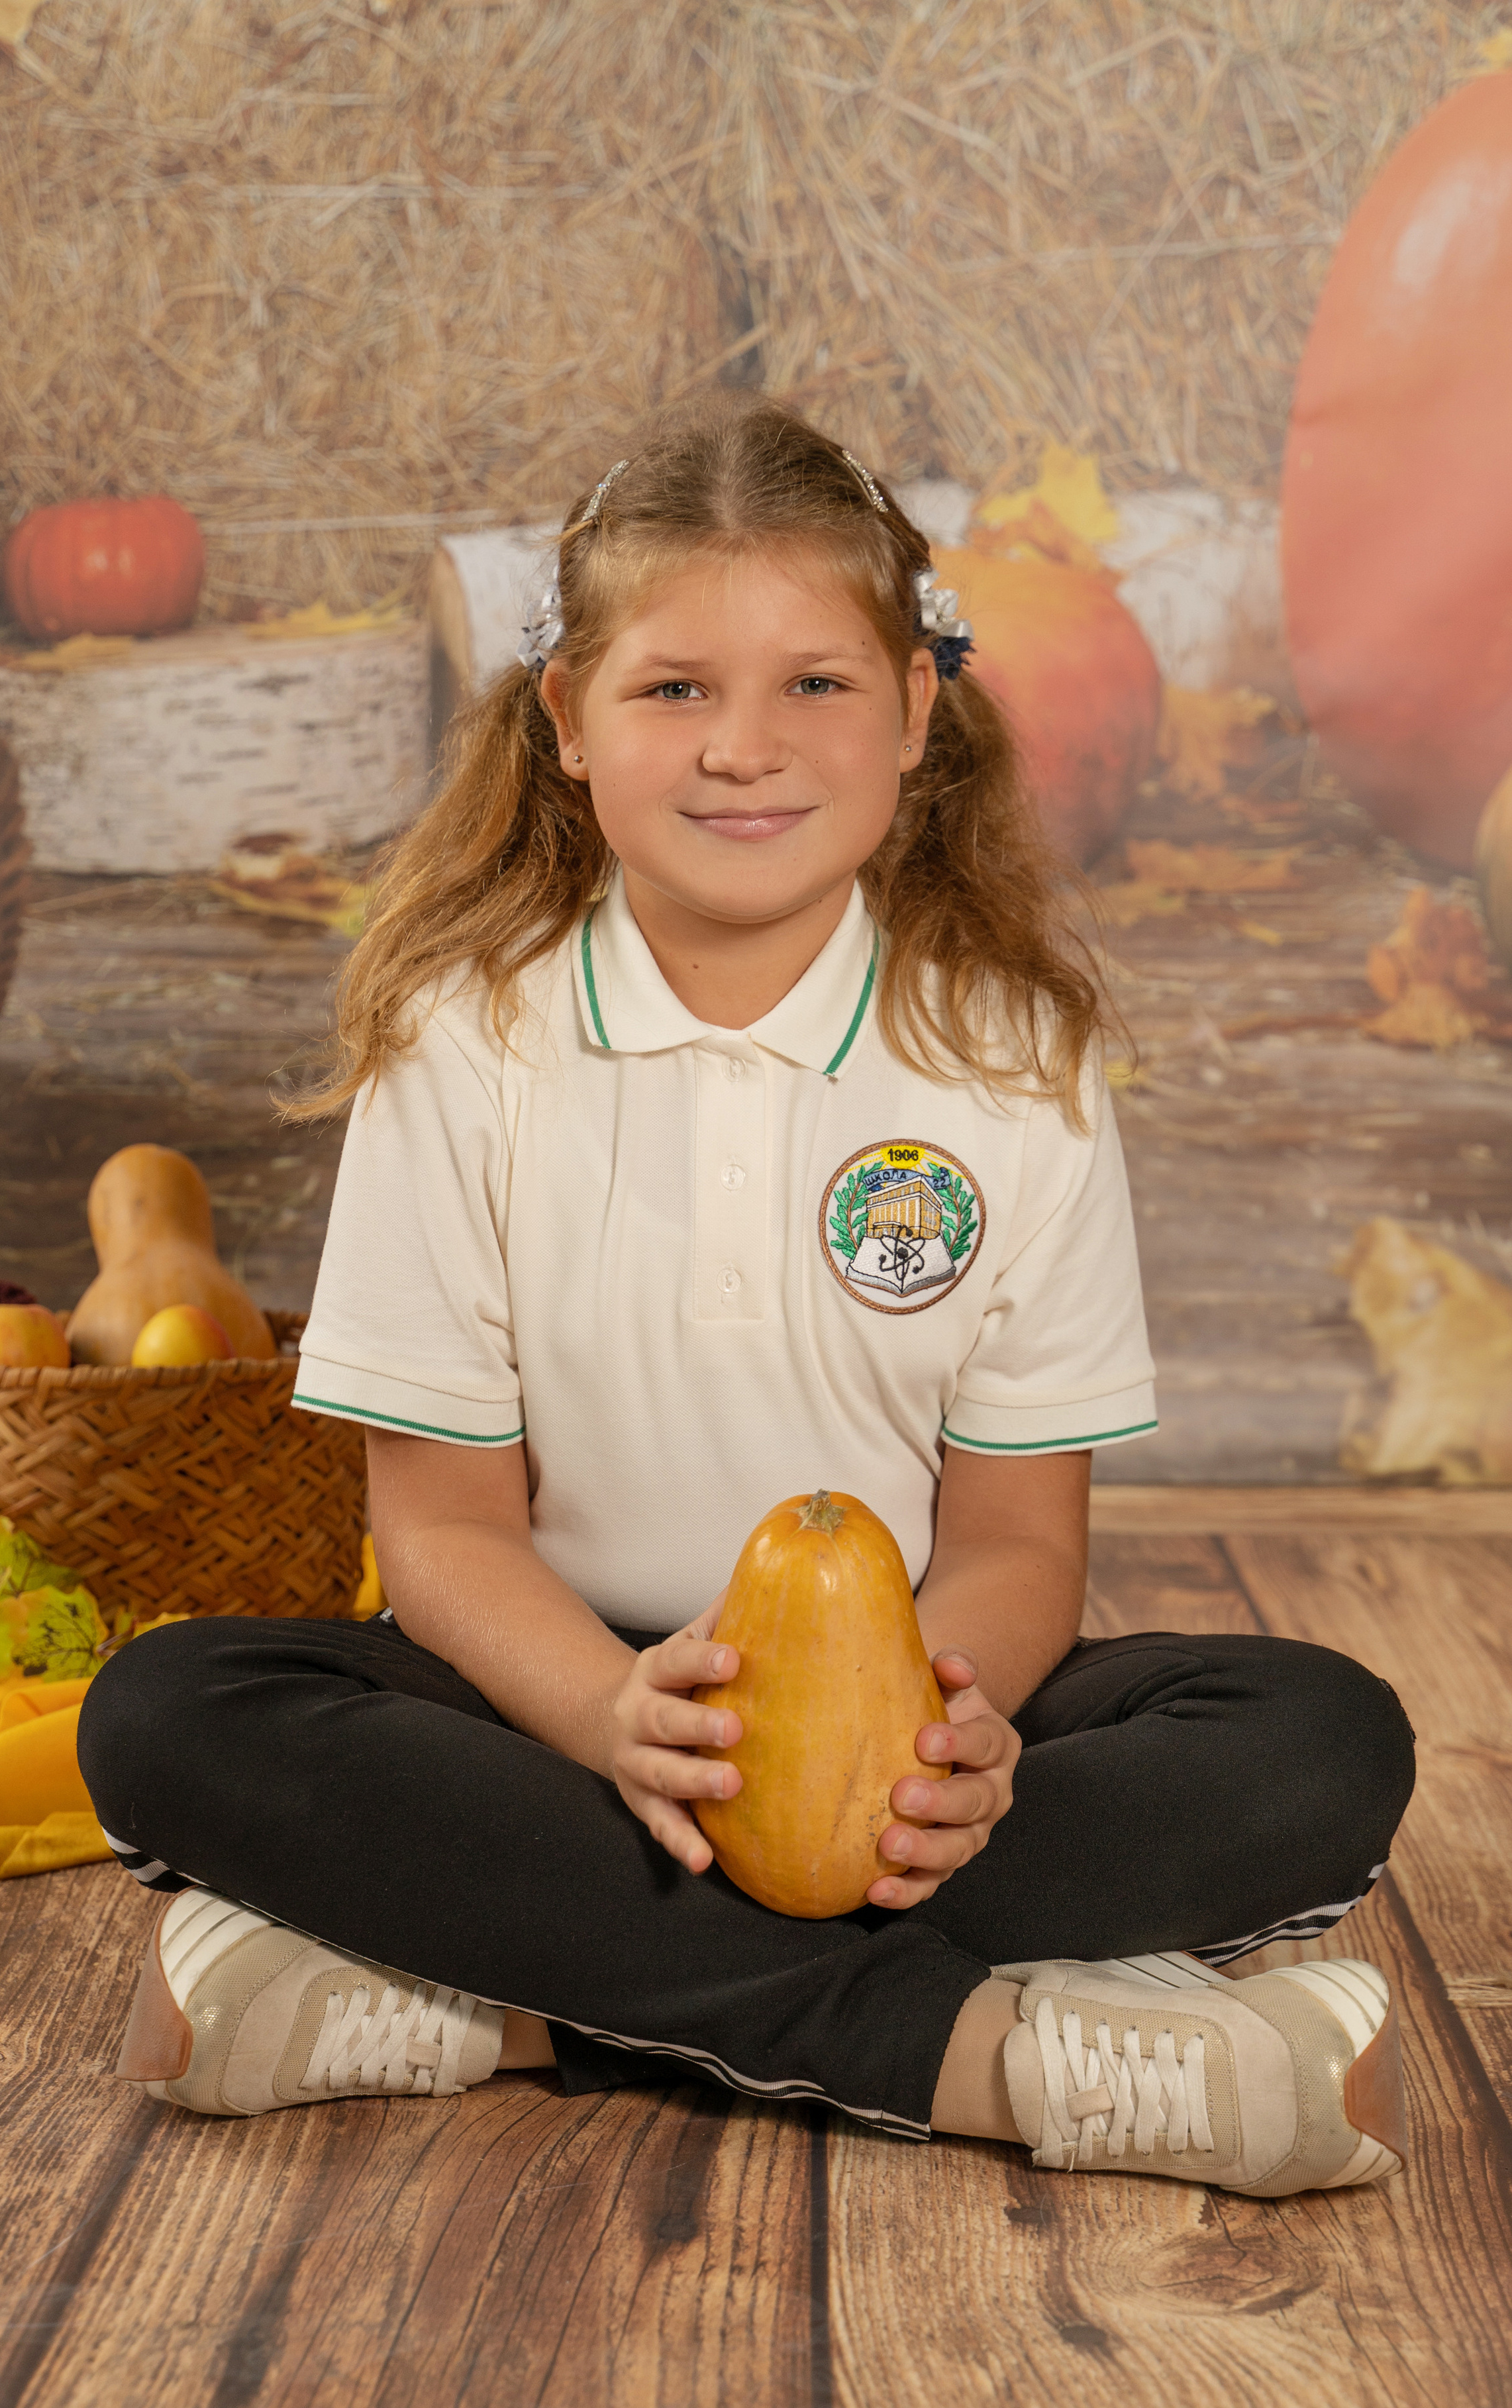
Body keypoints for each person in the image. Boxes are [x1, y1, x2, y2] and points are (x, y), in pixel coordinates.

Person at [79, 395, 1415, 2194]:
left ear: (916, 713)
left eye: (815, 686)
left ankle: (512, 2004)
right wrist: (609, 1721)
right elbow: (443, 1531)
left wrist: (958, 1734)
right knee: (165, 1715)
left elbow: (1023, 1538)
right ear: (568, 720)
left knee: (1321, 1743)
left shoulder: (1014, 1061)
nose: (744, 750)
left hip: (887, 1730)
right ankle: (986, 2061)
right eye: (675, 689)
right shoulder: (464, 1045)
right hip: (550, 1717)